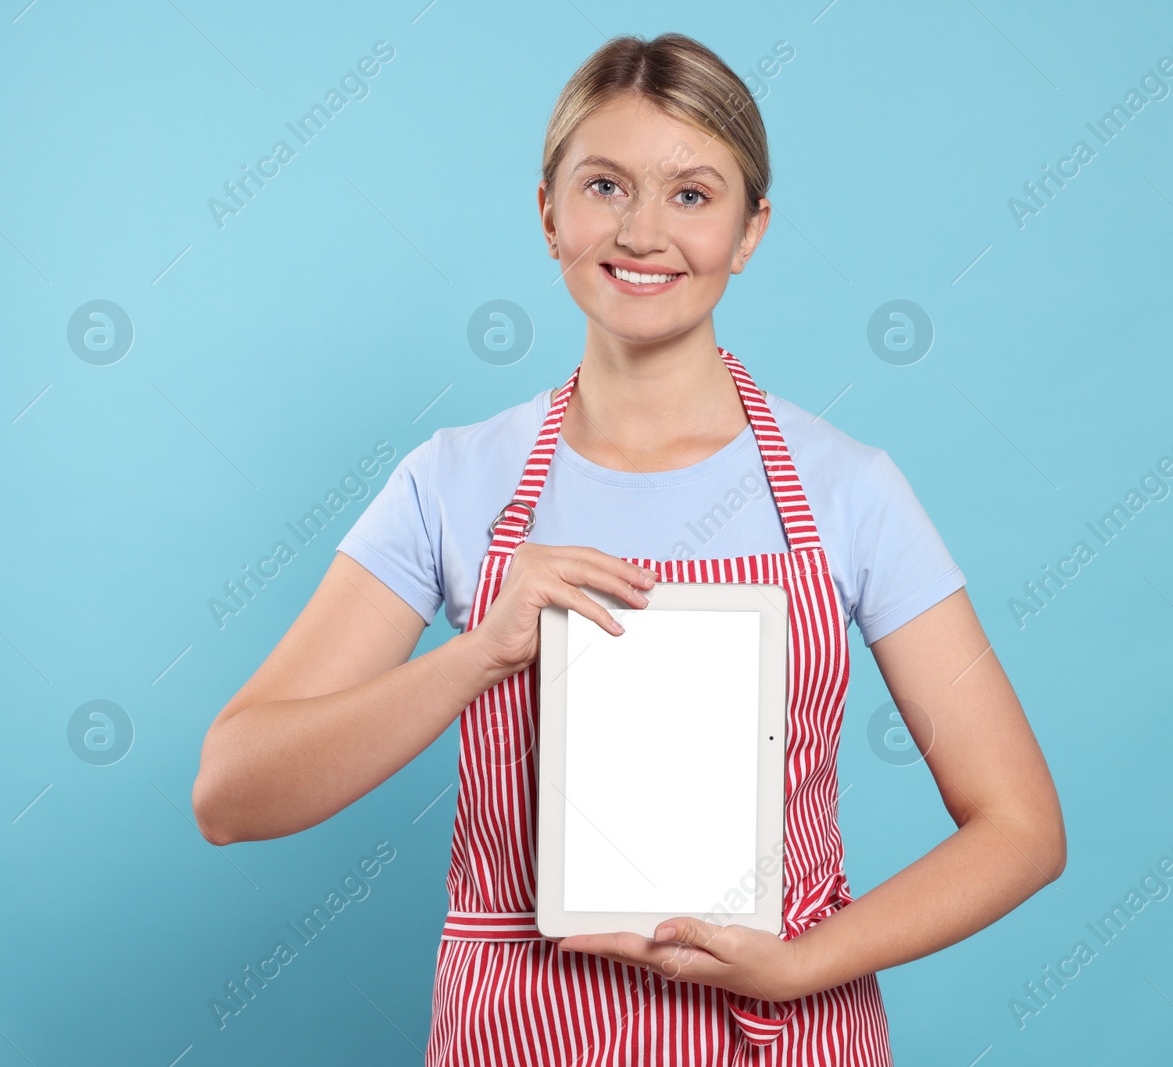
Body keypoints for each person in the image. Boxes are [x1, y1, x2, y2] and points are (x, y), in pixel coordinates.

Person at [192, 32, 1065, 1066]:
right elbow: (232, 793)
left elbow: (1019, 825)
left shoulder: (848, 491)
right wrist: (478, 652)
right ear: (548, 211)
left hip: (781, 1035)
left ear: (750, 230)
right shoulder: (454, 481)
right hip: (515, 1033)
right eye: (605, 185)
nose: (644, 231)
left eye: (693, 194)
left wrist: (798, 961)